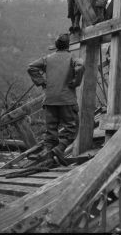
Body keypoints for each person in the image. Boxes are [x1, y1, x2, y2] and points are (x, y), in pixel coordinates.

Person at [27, 33, 84, 165]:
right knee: (72, 129)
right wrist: (75, 81)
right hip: (66, 99)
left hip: (50, 100)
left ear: (56, 46)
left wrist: (41, 82)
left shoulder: (47, 58)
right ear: (68, 45)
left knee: (51, 131)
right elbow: (80, 66)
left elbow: (31, 67)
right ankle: (59, 149)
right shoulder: (72, 57)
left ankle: (48, 159)